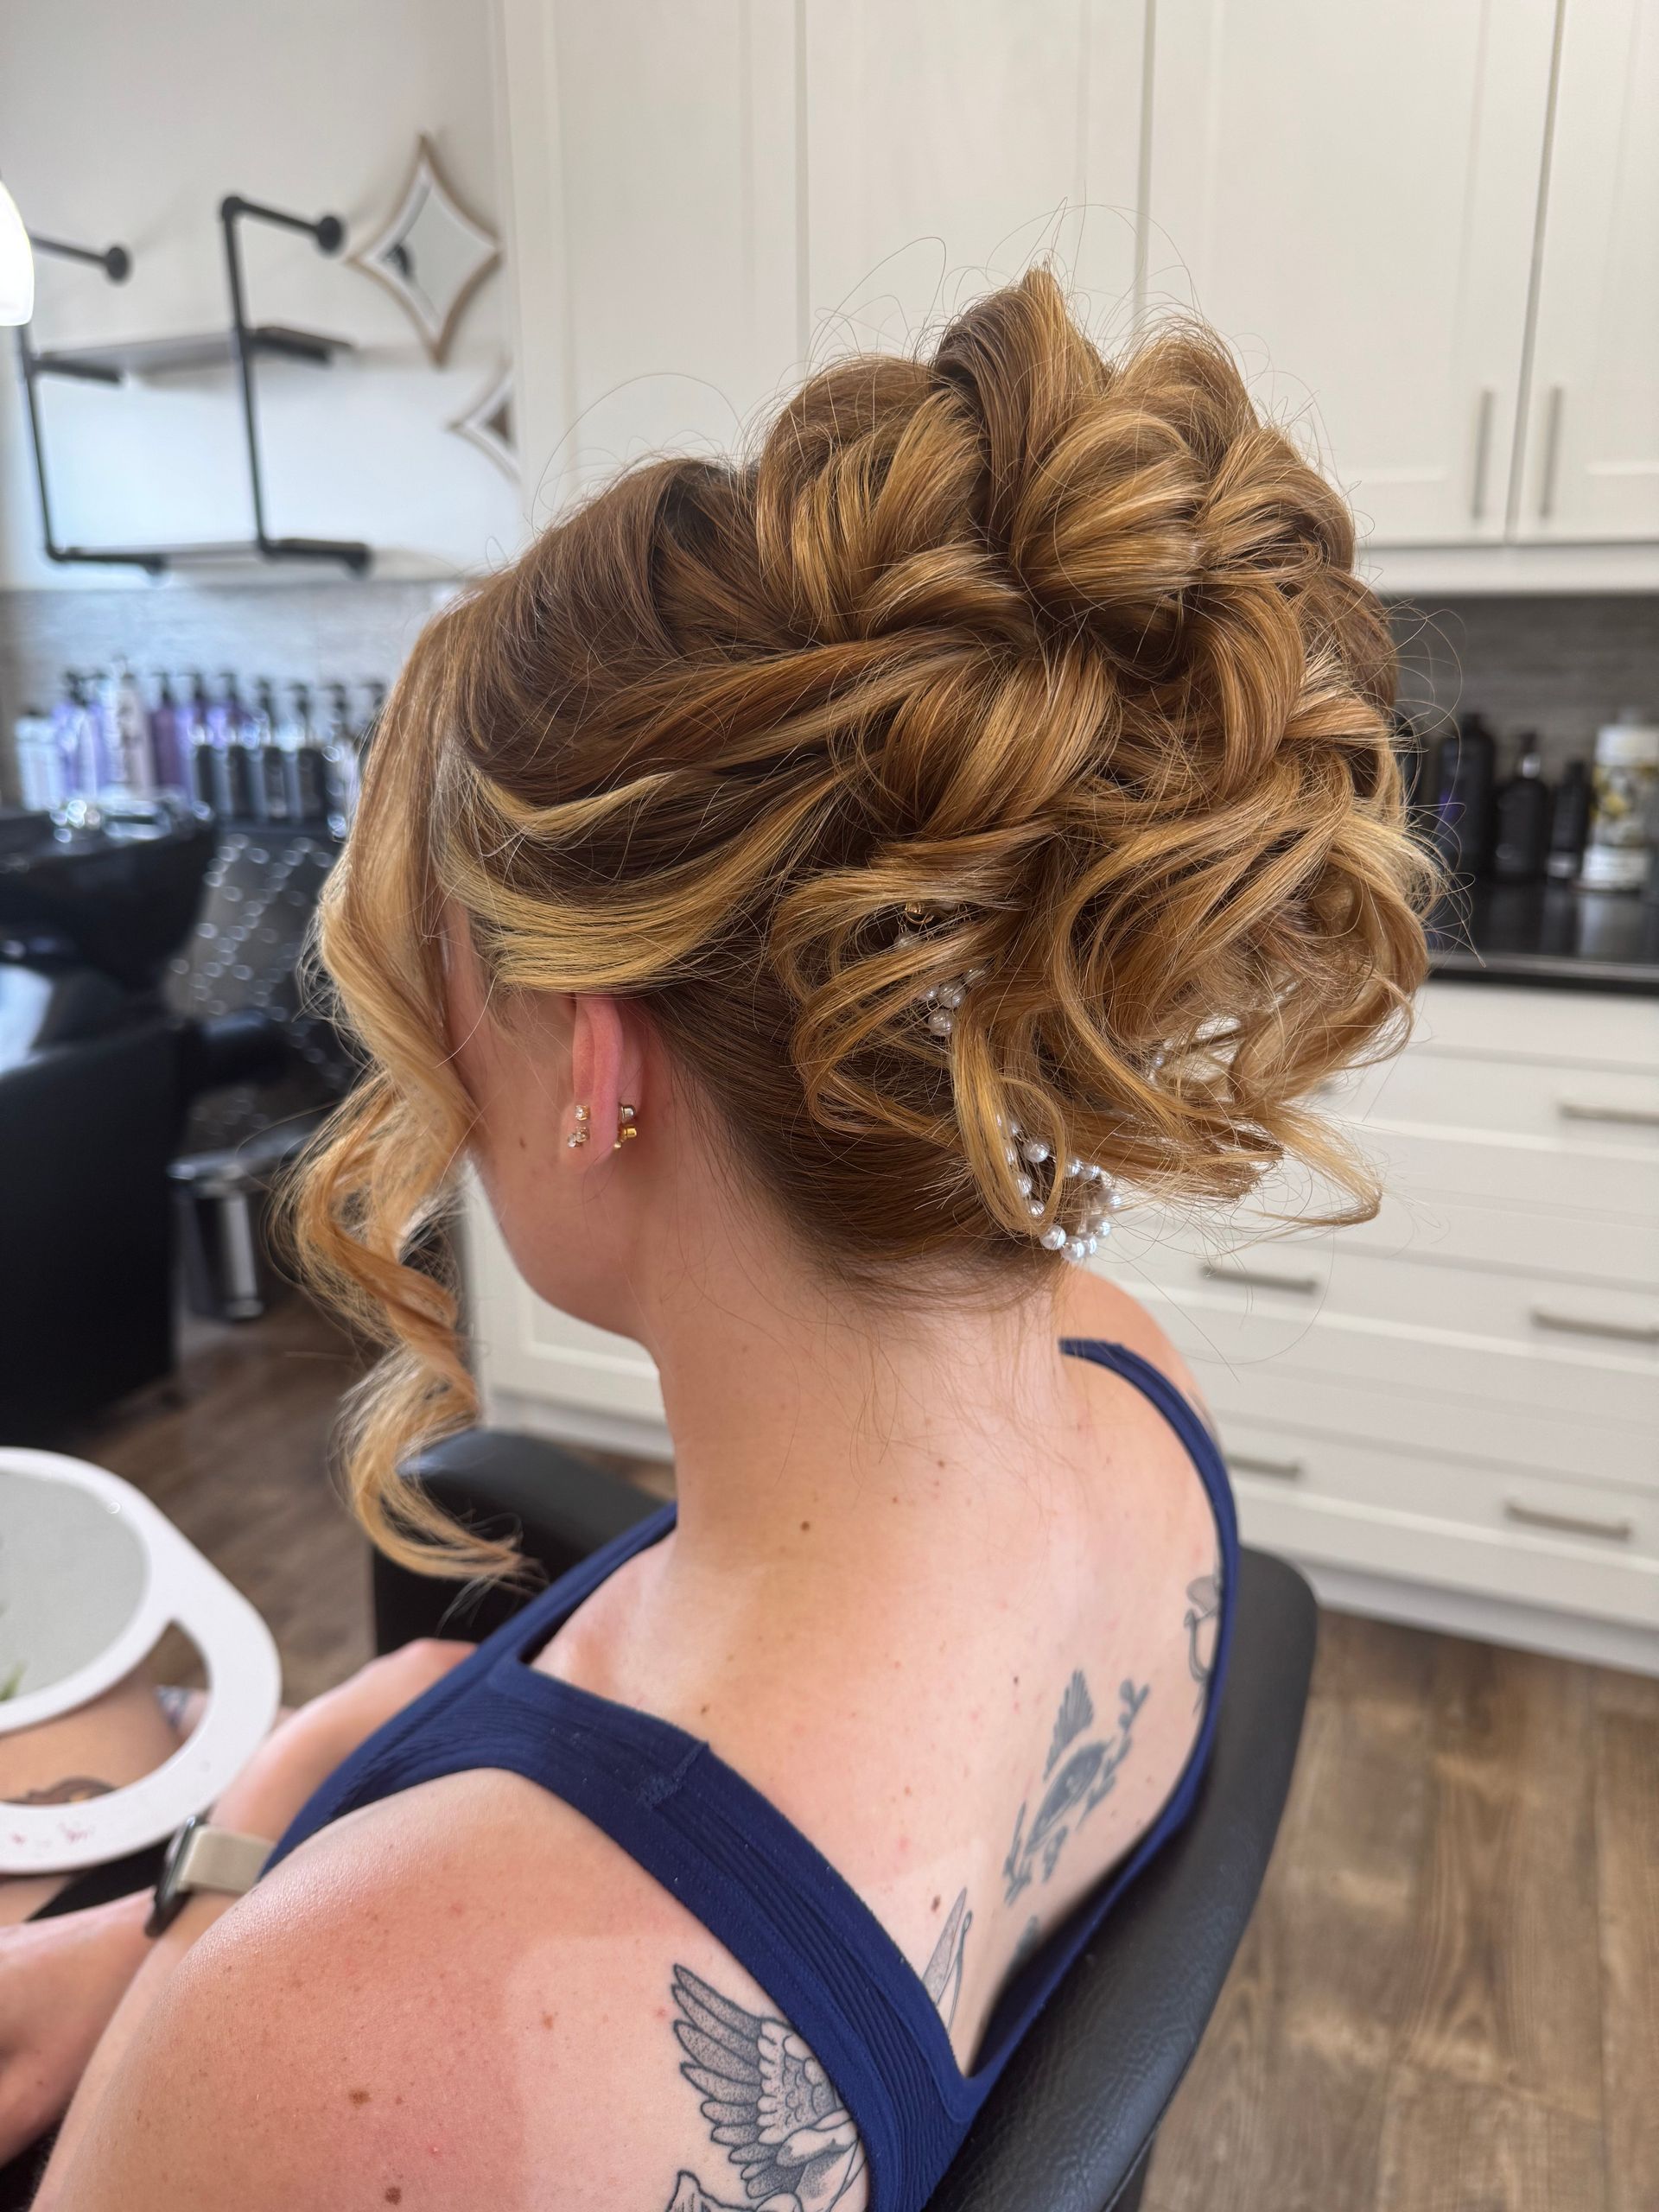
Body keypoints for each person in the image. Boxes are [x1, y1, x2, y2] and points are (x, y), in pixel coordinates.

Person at [28, 269, 1429, 2211]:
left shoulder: (331, 2044)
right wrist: (271, 1801)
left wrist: (208, 1932)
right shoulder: (1129, 1389)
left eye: (457, 976)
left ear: (595, 1053)